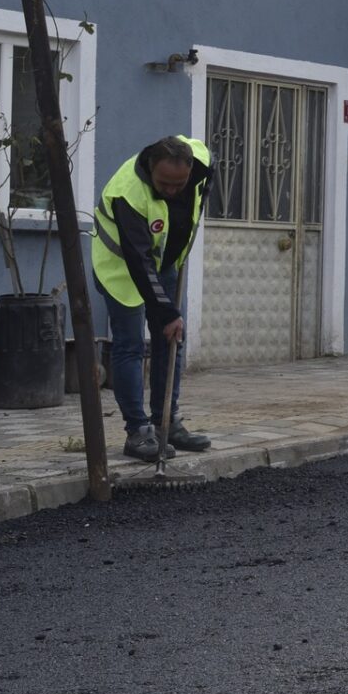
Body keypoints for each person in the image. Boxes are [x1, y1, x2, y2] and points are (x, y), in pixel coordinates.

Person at [91, 135, 214, 462]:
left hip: (165, 262)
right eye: (165, 184)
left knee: (172, 340)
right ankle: (138, 432)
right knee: (130, 345)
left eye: (180, 184)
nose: (173, 191)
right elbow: (139, 261)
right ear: (149, 169)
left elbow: (206, 177)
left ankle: (166, 422)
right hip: (122, 267)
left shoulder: (200, 163)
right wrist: (167, 311)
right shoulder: (128, 193)